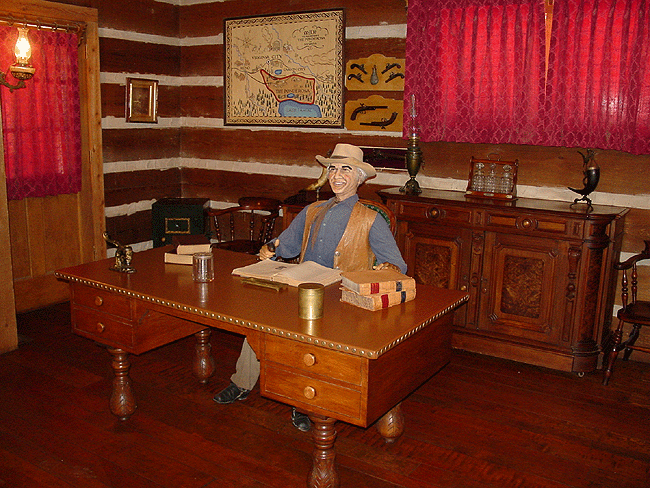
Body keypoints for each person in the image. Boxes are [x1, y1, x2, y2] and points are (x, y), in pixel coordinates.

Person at [213, 143, 407, 432]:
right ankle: (242, 382)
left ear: (359, 178)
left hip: (341, 298)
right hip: (302, 288)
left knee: (308, 343)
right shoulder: (312, 210)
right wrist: (271, 248)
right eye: (333, 169)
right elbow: (287, 244)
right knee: (261, 321)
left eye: (345, 169)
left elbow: (397, 265)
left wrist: (386, 267)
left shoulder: (370, 219)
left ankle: (303, 401)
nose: (337, 175)